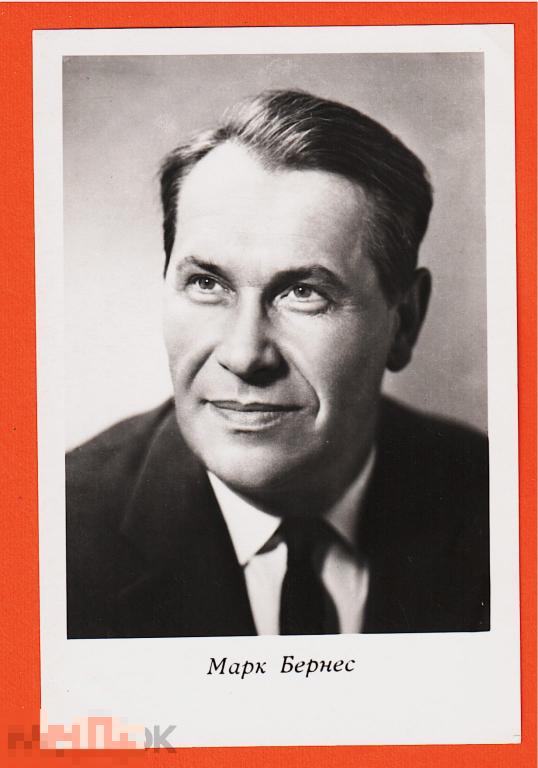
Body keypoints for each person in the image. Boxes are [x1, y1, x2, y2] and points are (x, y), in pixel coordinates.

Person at [66, 89, 489, 638]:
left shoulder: (500, 503)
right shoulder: (56, 535)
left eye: (303, 294)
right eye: (206, 283)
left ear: (403, 321)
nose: (244, 355)